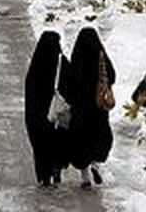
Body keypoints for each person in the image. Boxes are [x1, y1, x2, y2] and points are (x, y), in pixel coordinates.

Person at [66, 27, 116, 188]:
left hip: (81, 110)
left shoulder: (78, 57)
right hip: (99, 109)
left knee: (81, 142)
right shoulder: (101, 56)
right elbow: (112, 75)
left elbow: (70, 82)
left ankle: (85, 177)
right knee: (99, 137)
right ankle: (96, 163)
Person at [25, 31, 71, 188]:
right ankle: (56, 168)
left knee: (40, 145)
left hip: (38, 117)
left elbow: (29, 91)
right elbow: (70, 86)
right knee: (57, 141)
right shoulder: (62, 63)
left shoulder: (35, 65)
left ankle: (44, 176)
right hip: (57, 115)